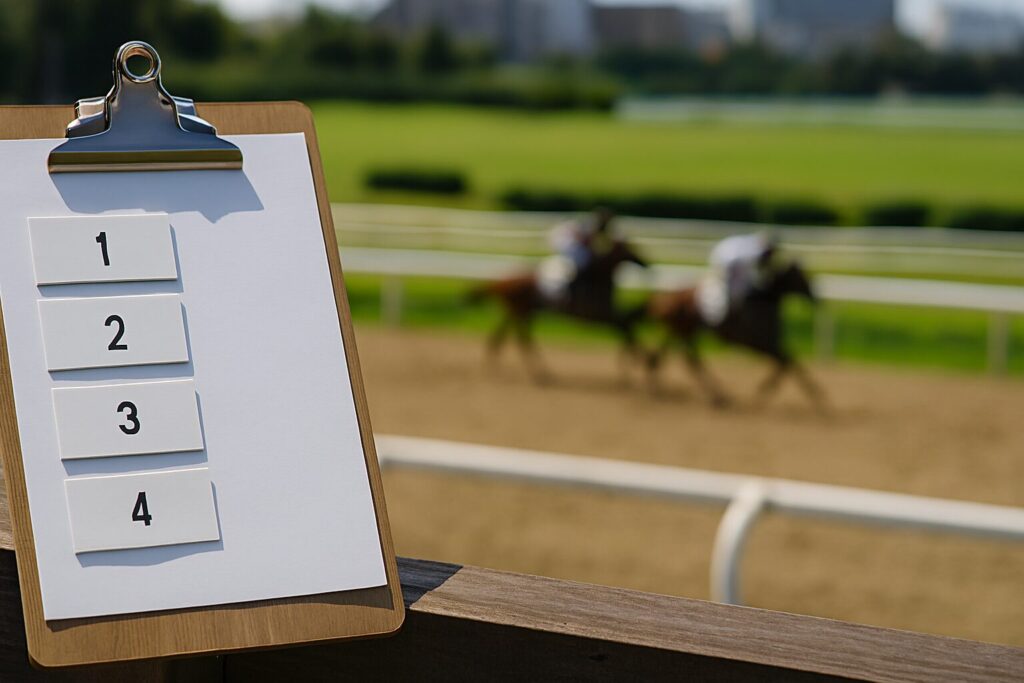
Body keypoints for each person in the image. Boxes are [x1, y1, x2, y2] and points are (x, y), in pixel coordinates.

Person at [697, 231, 780, 326]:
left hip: (729, 261)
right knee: (733, 293)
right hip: (726, 263)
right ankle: (725, 320)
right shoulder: (754, 251)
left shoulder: (752, 246)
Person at [538, 207, 616, 306]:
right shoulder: (592, 225)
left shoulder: (597, 225)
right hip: (566, 240)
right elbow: (586, 241)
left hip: (569, 240)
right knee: (582, 260)